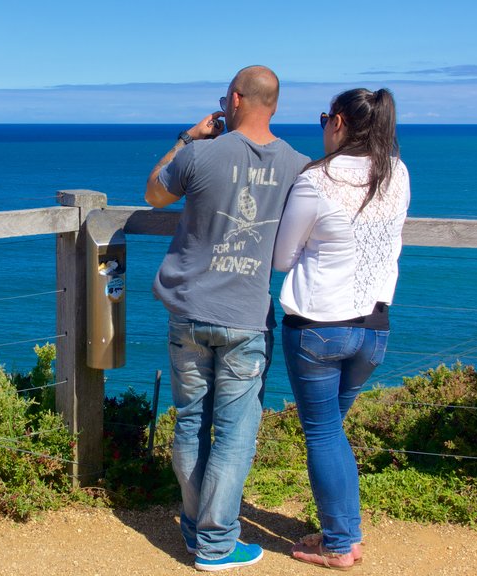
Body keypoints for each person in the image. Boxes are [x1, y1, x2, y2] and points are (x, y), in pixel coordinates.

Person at [146, 65, 310, 572]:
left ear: (234, 100)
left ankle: (202, 537)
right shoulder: (300, 165)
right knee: (235, 432)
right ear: (275, 106)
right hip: (245, 315)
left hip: (190, 310)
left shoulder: (200, 154)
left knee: (192, 422)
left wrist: (185, 137)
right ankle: (215, 542)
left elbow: (155, 193)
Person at [271, 87, 410, 570]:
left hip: (319, 327)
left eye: (325, 117)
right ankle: (344, 534)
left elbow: (282, 257)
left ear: (339, 124)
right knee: (334, 432)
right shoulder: (396, 173)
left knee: (324, 434)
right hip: (374, 329)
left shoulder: (317, 180)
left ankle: (339, 544)